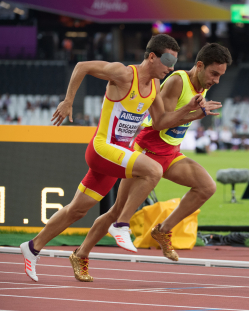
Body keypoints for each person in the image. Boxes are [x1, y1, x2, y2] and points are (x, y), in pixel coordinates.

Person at [20, 34, 215, 283]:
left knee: (76, 210)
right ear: (152, 57)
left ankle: (33, 247)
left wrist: (191, 112)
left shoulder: (155, 87)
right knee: (153, 170)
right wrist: (68, 101)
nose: (171, 68)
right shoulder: (123, 74)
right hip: (102, 148)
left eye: (175, 62)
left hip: (117, 156)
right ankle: (121, 225)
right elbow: (82, 66)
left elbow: (161, 122)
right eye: (167, 61)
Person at [76, 42, 231, 268]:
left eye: (220, 76)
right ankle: (81, 253)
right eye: (214, 74)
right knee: (117, 211)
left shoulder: (202, 85)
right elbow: (161, 122)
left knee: (207, 187)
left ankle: (163, 230)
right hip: (148, 149)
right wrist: (193, 113)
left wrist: (196, 111)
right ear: (199, 66)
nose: (216, 80)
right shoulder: (178, 80)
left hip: (170, 153)